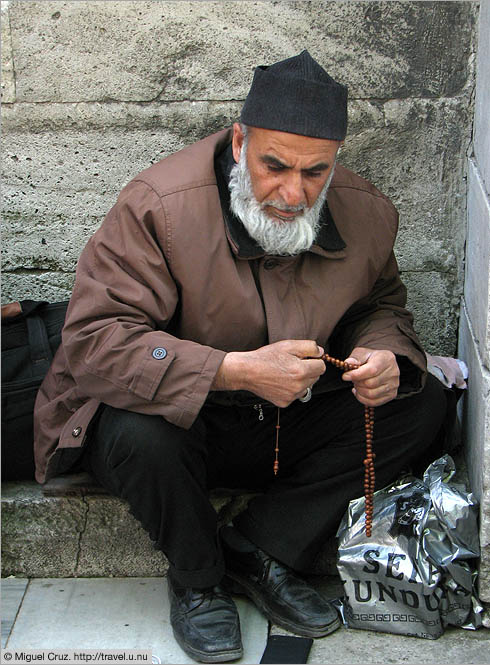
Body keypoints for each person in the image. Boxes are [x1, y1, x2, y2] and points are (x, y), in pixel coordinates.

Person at [34, 50, 448, 662]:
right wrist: (231, 370)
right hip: (184, 421)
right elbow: (96, 341)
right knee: (134, 430)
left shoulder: (366, 212)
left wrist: (381, 353)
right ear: (238, 143)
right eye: (274, 166)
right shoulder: (161, 204)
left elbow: (379, 305)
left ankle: (261, 550)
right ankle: (199, 581)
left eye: (315, 173)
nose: (292, 192)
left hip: (285, 419)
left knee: (424, 403)